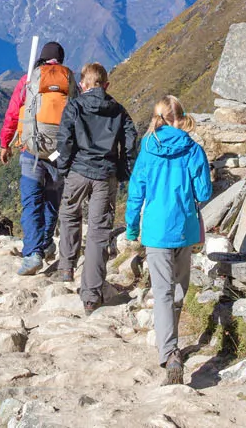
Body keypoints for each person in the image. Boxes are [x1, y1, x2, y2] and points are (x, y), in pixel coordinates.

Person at [124, 95, 212, 386]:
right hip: (184, 228)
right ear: (180, 118)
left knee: (162, 291)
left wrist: (131, 227)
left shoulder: (148, 148)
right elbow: (204, 193)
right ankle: (170, 344)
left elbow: (136, 190)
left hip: (156, 231)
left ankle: (170, 353)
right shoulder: (193, 149)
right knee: (178, 291)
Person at [54, 63, 139, 311]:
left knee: (69, 214)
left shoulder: (75, 106)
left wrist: (64, 168)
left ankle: (66, 267)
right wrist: (123, 171)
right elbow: (130, 142)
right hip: (105, 175)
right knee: (98, 232)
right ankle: (91, 296)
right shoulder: (118, 110)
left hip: (78, 171)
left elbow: (65, 140)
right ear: (106, 85)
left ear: (83, 84)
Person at [0, 41, 78, 275]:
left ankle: (33, 253)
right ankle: (44, 243)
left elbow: (13, 114)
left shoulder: (28, 80)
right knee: (52, 201)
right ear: (61, 60)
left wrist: (5, 144)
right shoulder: (69, 81)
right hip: (59, 153)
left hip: (31, 150)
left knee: (31, 203)